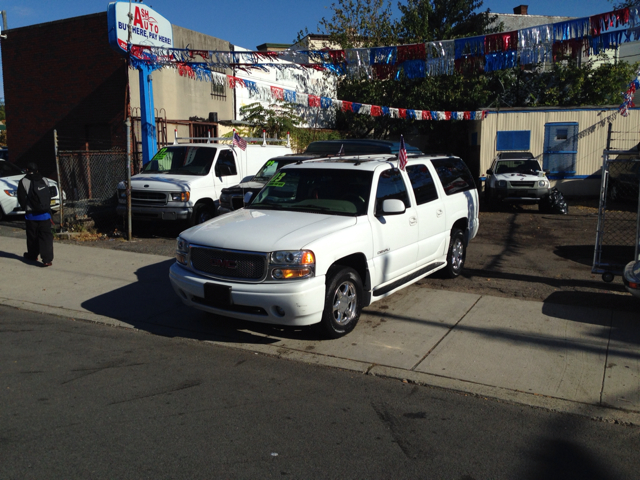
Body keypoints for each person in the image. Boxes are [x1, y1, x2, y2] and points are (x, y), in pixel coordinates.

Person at [17, 162, 54, 266]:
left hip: (31, 215)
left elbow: (21, 198)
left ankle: (33, 255)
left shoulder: (23, 181)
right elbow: (48, 196)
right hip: (45, 214)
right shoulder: (44, 179)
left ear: (27, 170)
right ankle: (47, 259)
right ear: (37, 170)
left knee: (32, 236)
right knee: (46, 237)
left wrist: (25, 208)